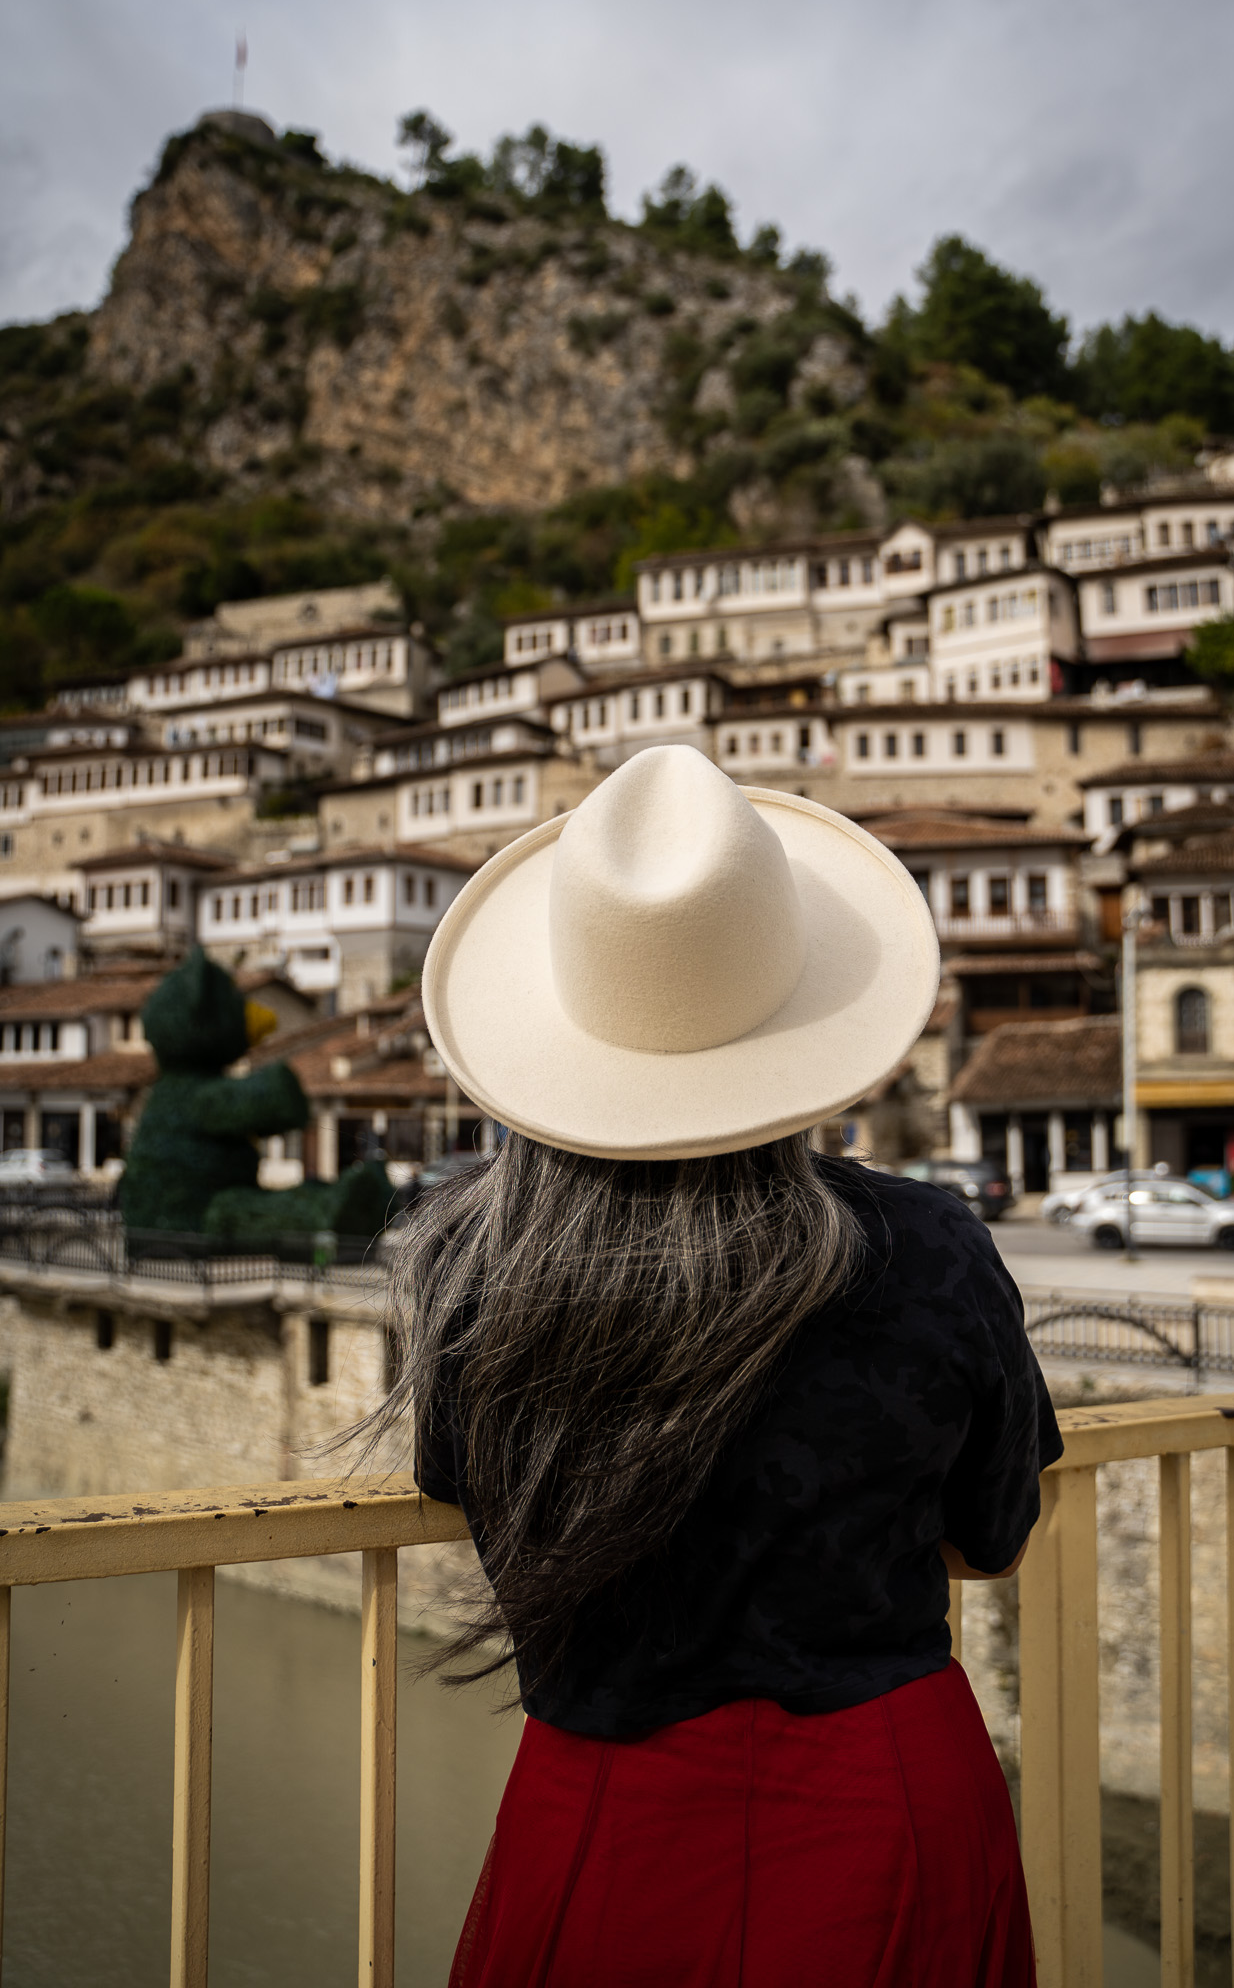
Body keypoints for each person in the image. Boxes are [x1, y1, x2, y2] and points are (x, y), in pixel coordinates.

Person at [377, 745, 1062, 1987]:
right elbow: (994, 1531)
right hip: (890, 1803)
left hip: (600, 1812)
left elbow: (465, 1499)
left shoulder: (476, 1274)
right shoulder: (930, 1250)